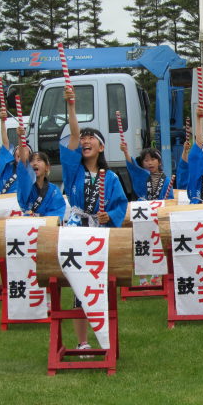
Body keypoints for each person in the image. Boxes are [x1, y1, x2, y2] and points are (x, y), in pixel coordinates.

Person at [62, 86, 128, 353]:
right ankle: (82, 341)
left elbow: (121, 205)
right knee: (79, 288)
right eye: (83, 138)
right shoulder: (72, 171)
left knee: (101, 286)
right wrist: (72, 107)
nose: (85, 141)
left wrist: (109, 215)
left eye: (92, 138)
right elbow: (74, 135)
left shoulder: (111, 178)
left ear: (101, 147)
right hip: (77, 233)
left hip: (100, 235)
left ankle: (106, 337)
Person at [16, 141, 66, 221]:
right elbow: (23, 165)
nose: (35, 163)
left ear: (47, 167)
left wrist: (42, 220)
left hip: (46, 225)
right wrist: (20, 138)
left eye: (39, 160)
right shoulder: (26, 186)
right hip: (28, 224)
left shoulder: (54, 190)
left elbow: (57, 211)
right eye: (31, 161)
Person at [0, 108, 29, 194]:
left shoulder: (31, 172)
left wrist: (20, 137)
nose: (21, 152)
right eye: (18, 149)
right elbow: (5, 143)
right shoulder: (6, 167)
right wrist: (2, 121)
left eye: (25, 150)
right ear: (13, 154)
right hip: (3, 201)